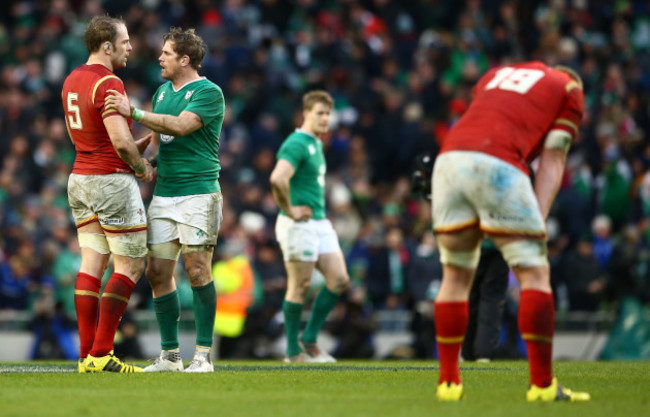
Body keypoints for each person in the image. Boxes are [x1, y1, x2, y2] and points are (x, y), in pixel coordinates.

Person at [430, 61, 590, 401]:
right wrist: (539, 218)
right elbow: (554, 156)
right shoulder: (569, 89)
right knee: (535, 274)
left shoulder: (495, 75)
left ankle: (448, 383)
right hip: (498, 163)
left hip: (448, 160)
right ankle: (544, 386)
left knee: (455, 276)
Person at [105, 27, 225, 372]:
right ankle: (170, 356)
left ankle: (202, 355)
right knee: (157, 272)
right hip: (165, 194)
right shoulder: (161, 92)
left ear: (185, 59)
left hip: (199, 193)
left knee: (198, 269)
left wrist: (134, 113)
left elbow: (181, 126)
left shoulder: (208, 92)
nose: (159, 58)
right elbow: (162, 141)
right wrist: (145, 163)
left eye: (167, 53)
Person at [61, 15, 154, 373]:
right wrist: (141, 166)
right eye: (125, 40)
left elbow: (81, 136)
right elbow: (117, 140)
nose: (130, 47)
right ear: (107, 46)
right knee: (130, 264)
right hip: (110, 181)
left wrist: (133, 146)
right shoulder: (109, 81)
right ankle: (102, 353)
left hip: (80, 177)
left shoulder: (72, 80)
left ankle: (86, 357)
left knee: (91, 264)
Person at [269, 90, 350, 362]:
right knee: (300, 285)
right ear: (306, 114)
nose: (326, 119)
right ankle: (293, 352)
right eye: (320, 113)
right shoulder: (297, 143)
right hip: (297, 223)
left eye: (328, 114)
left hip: (319, 221)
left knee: (339, 279)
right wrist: (289, 209)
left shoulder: (315, 143)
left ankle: (310, 340)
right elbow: (278, 178)